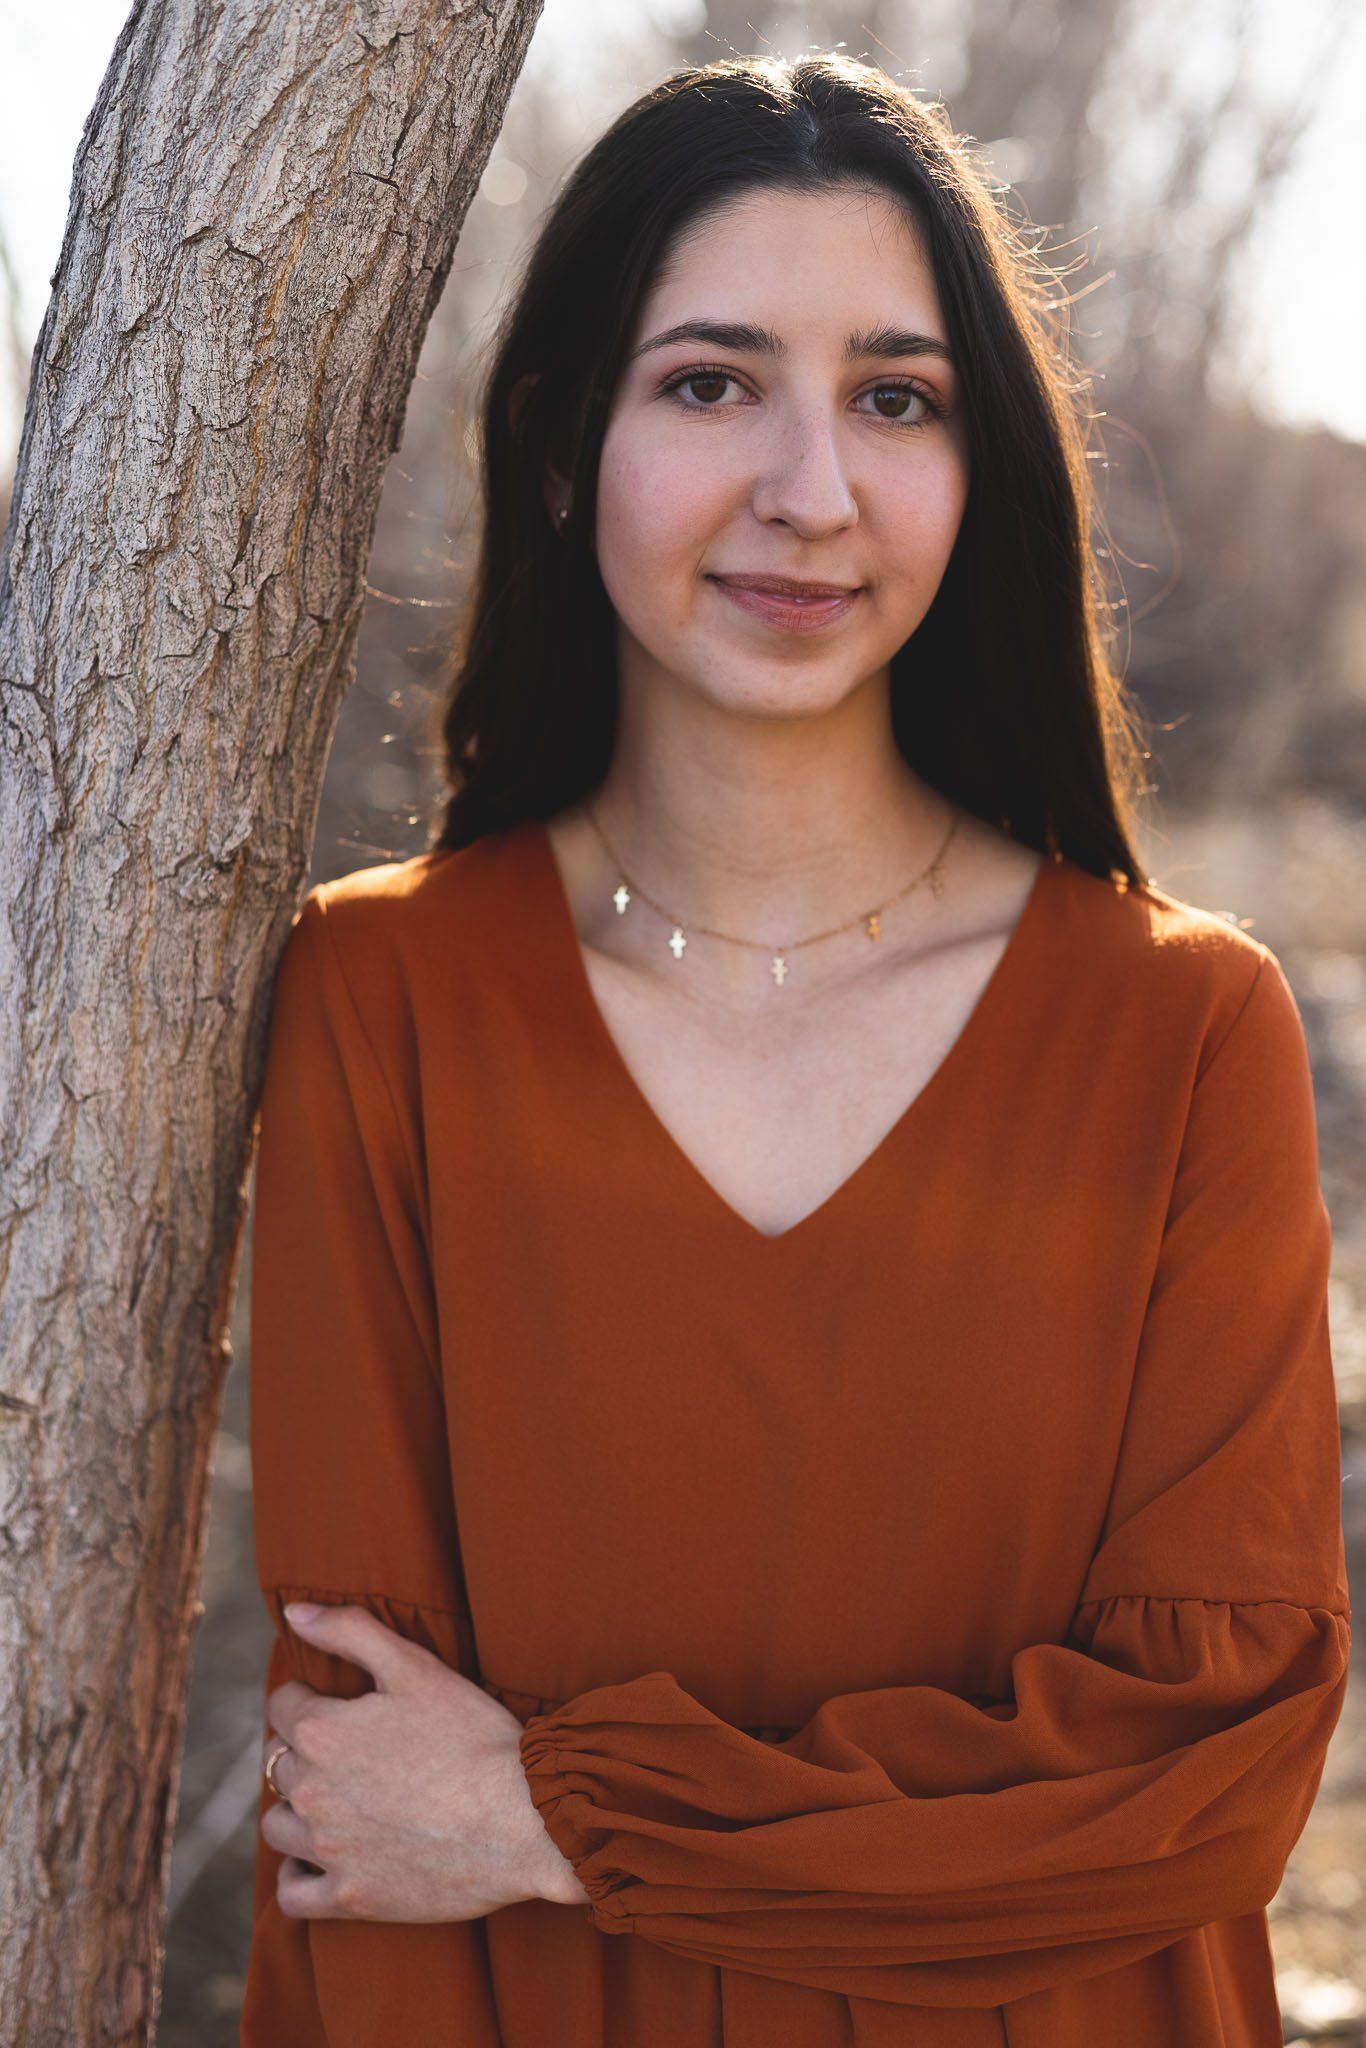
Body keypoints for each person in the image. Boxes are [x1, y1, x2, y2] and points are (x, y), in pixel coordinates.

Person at [237, 50, 1350, 2048]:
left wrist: (563, 1820)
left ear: (976, 470)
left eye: (895, 399)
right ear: (562, 442)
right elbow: (366, 1797)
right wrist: (513, 1824)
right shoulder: (381, 1004)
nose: (809, 491)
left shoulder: (1181, 1032)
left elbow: (1198, 1774)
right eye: (709, 384)